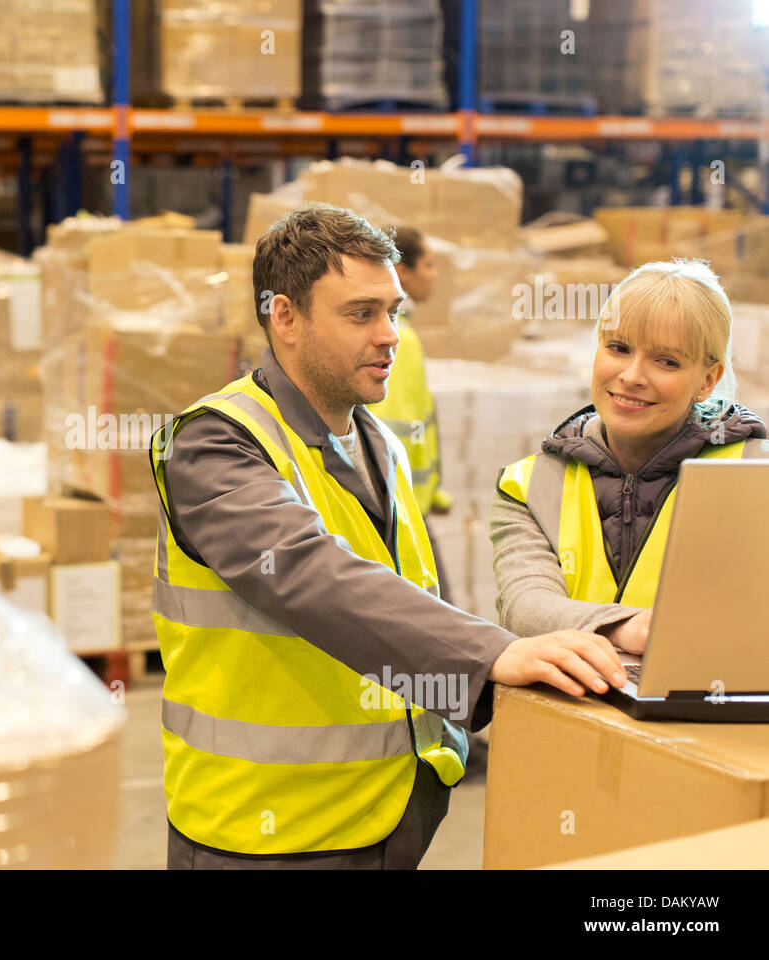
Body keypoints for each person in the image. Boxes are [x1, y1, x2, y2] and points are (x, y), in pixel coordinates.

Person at [150, 203, 626, 870]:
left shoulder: (376, 442)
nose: (389, 335)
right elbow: (310, 576)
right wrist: (489, 654)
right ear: (284, 316)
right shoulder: (210, 444)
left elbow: (403, 599)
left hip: (389, 814)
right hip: (268, 835)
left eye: (394, 312)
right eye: (360, 313)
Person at [492, 259, 767, 651]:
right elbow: (526, 606)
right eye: (618, 348)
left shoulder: (756, 474)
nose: (633, 376)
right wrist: (626, 628)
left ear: (707, 381)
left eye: (667, 361)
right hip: (571, 707)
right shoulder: (530, 485)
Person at [365, 225, 453, 600]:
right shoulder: (399, 341)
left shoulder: (406, 336)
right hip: (398, 512)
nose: (434, 274)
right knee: (443, 619)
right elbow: (387, 424)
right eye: (428, 264)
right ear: (401, 271)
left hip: (411, 504)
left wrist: (435, 493)